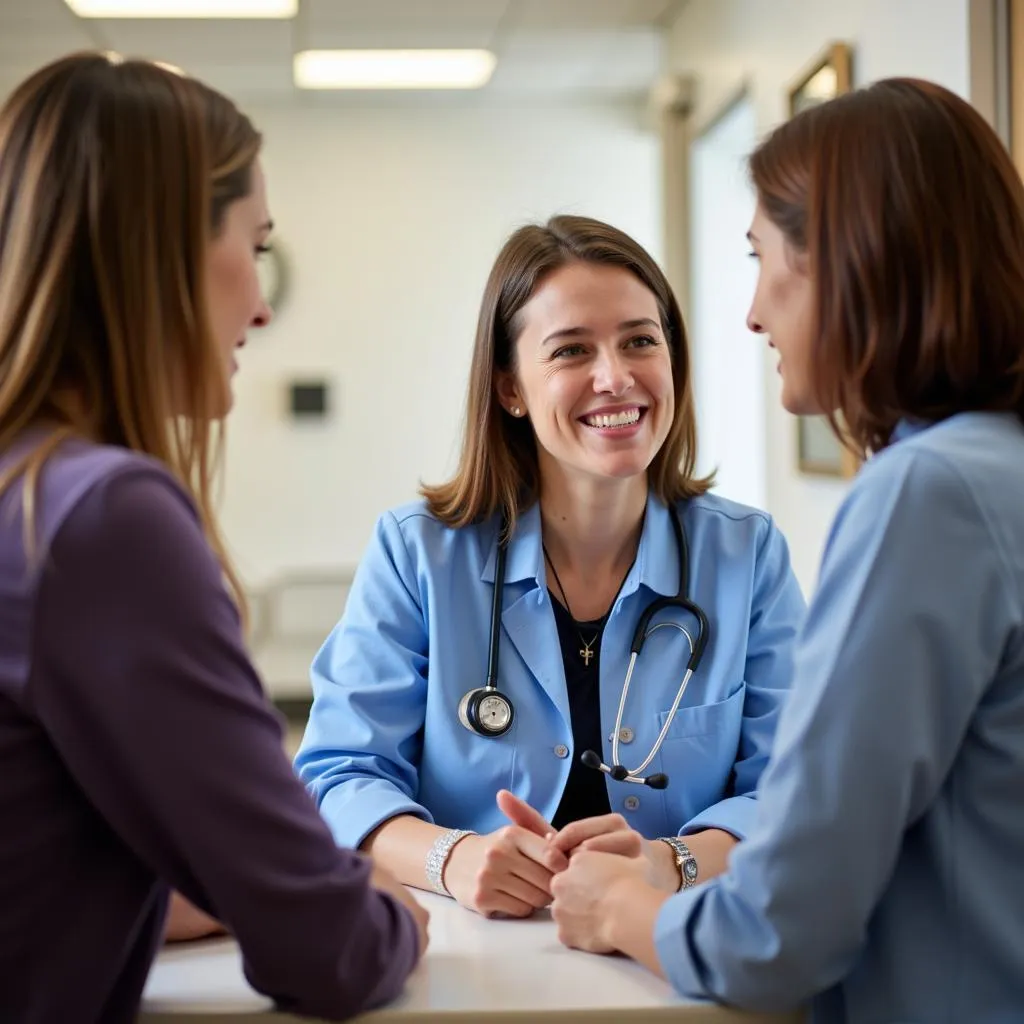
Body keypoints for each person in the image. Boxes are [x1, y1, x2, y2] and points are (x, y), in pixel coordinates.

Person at [548, 77, 1024, 1024]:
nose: (756, 313)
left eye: (766, 262)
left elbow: (774, 936)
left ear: (851, 265)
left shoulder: (923, 497)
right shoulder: (998, 466)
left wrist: (623, 906)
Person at [0, 52, 427, 1024]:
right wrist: (387, 912)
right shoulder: (101, 517)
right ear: (158, 253)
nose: (264, 304)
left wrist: (146, 900)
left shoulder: (24, 487)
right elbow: (330, 951)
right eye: (256, 246)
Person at [295, 214, 806, 920]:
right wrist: (453, 857)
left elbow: (794, 787)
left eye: (640, 341)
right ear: (510, 389)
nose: (615, 377)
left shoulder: (747, 557)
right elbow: (339, 775)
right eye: (571, 351)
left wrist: (672, 863)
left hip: (678, 948)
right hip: (475, 960)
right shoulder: (418, 555)